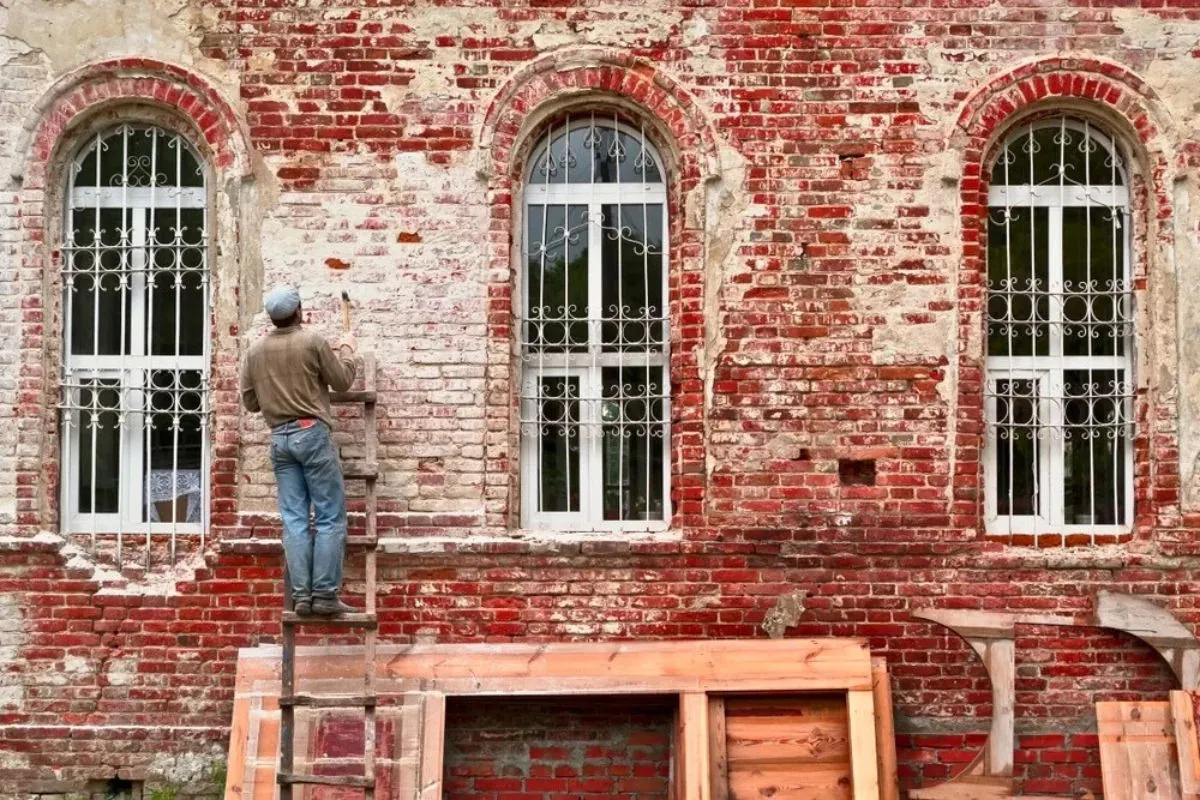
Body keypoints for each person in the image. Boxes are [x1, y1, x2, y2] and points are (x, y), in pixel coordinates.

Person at [240, 285, 359, 617]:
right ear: (299, 311)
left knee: (293, 520)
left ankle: (301, 596)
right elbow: (343, 381)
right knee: (329, 517)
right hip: (312, 434)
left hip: (279, 438)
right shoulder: (313, 341)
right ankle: (323, 594)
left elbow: (250, 403)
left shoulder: (255, 351)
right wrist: (348, 351)